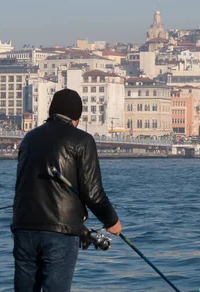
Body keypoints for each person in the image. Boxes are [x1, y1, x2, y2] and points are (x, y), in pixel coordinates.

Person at [11, 89, 122, 292]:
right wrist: (111, 221)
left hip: (23, 228)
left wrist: (79, 228)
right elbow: (93, 193)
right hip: (59, 235)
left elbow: (23, 187)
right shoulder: (82, 140)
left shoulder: (29, 139)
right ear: (76, 117)